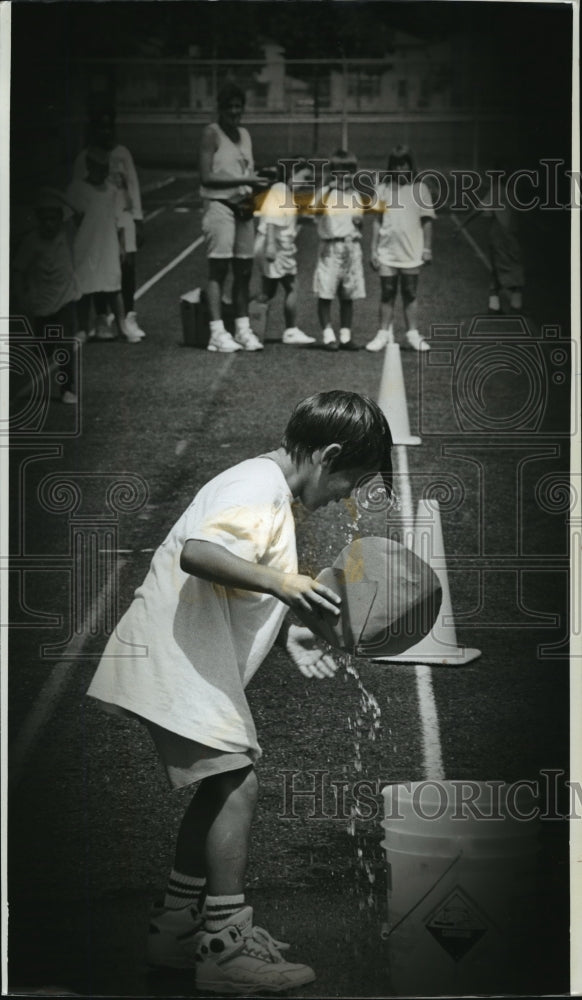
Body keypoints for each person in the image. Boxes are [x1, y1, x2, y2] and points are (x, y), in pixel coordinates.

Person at [87, 390, 393, 994]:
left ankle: (178, 930)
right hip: (174, 664)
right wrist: (284, 582)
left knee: (221, 787)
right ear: (327, 455)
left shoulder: (266, 487)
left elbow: (235, 581)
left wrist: (289, 638)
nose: (345, 498)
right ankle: (223, 948)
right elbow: (201, 554)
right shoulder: (255, 487)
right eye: (349, 482)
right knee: (236, 787)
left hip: (178, 661)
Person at [199, 82, 269, 353]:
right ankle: (217, 331)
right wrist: (246, 179)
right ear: (220, 109)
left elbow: (245, 173)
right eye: (229, 107)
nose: (234, 111)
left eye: (238, 106)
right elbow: (206, 176)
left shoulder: (245, 134)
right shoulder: (211, 133)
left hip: (243, 207)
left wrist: (258, 182)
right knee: (218, 269)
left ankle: (242, 328)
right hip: (219, 206)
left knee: (243, 270)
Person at [73, 102, 146, 340]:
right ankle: (101, 318)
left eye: (108, 127)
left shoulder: (122, 153)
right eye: (100, 127)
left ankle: (128, 317)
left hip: (122, 215)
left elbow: (133, 186)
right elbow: (76, 197)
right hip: (97, 221)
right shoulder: (84, 157)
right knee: (96, 266)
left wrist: (138, 219)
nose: (105, 132)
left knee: (125, 266)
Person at [12, 187, 81, 404]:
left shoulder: (67, 233)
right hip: (42, 303)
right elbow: (17, 271)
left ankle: (67, 388)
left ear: (60, 220)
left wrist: (56, 193)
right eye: (45, 220)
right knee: (44, 350)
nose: (49, 224)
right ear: (39, 221)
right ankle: (16, 380)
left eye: (54, 219)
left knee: (65, 344)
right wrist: (19, 297)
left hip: (66, 299)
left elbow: (80, 212)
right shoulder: (31, 242)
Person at [366, 145, 435, 353]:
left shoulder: (420, 189)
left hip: (412, 252)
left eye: (403, 165)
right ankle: (382, 333)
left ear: (409, 166)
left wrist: (427, 249)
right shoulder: (383, 189)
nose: (399, 169)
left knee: (409, 292)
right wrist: (373, 250)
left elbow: (427, 221)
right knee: (387, 292)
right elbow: (377, 221)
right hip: (388, 252)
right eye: (395, 165)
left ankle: (413, 333)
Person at [66, 148, 138, 344]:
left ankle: (122, 327)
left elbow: (119, 219)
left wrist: (122, 246)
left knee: (113, 285)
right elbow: (70, 219)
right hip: (85, 245)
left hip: (108, 244)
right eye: (98, 167)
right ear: (89, 167)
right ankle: (82, 328)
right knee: (83, 286)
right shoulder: (76, 189)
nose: (102, 171)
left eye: (104, 168)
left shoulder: (112, 191)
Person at [255, 158, 316, 346]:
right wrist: (271, 247)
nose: (306, 182)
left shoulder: (284, 191)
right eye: (304, 177)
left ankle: (246, 323)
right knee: (292, 286)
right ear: (291, 175)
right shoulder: (280, 190)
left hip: (275, 246)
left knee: (268, 291)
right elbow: (272, 220)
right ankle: (290, 331)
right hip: (276, 247)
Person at [311, 149, 366, 351]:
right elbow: (315, 211)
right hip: (330, 248)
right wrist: (327, 189)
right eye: (339, 172)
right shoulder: (326, 193)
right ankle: (327, 334)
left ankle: (345, 335)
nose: (344, 177)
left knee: (348, 293)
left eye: (349, 172)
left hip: (351, 248)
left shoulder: (356, 196)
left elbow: (358, 223)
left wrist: (359, 224)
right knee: (326, 292)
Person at [458, 167, 525, 313]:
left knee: (499, 269)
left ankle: (494, 306)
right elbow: (480, 209)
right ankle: (515, 306)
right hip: (503, 235)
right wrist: (462, 224)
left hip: (506, 234)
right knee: (514, 268)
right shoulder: (500, 189)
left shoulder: (507, 190)